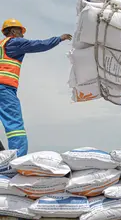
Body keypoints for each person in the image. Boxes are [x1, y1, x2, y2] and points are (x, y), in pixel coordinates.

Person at [0, 18, 72, 157]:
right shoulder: (14, 43)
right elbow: (39, 44)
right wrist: (59, 39)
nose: (23, 35)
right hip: (4, 89)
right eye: (21, 32)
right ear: (14, 31)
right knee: (15, 125)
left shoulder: (1, 45)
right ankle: (18, 160)